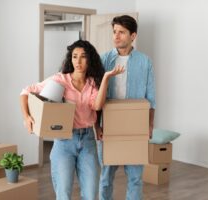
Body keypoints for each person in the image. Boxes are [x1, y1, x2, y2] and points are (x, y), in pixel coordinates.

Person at [20, 40, 124, 200]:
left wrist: (105, 78)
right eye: (75, 57)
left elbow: (97, 106)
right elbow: (26, 91)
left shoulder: (92, 83)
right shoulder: (60, 80)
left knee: (90, 194)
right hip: (64, 142)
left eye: (83, 57)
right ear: (71, 59)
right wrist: (26, 117)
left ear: (89, 59)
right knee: (64, 195)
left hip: (88, 141)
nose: (78, 61)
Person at [96, 15, 156, 200]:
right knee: (105, 178)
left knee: (136, 178)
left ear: (133, 35)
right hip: (108, 127)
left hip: (135, 127)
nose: (116, 36)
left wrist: (149, 125)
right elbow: (95, 96)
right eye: (114, 32)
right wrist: (96, 126)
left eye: (121, 32)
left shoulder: (145, 62)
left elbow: (151, 99)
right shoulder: (103, 60)